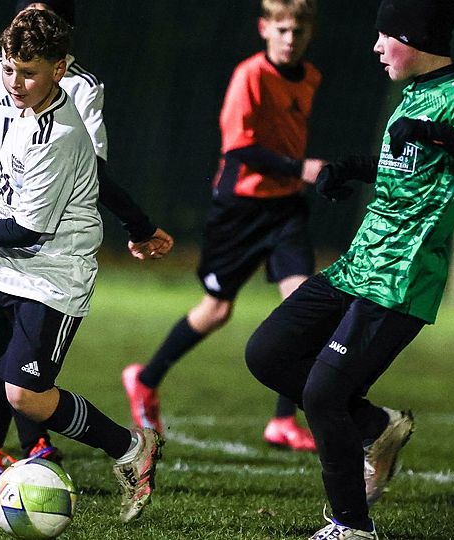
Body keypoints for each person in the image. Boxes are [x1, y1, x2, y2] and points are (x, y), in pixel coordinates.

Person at [243, 0, 454, 537]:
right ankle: (375, 425)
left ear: (413, 39)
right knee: (267, 352)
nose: (375, 47)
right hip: (357, 266)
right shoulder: (413, 95)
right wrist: (349, 168)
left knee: (323, 395)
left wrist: (439, 134)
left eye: (385, 36)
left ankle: (352, 525)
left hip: (400, 279)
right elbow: (405, 166)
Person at [0, 8, 164, 522]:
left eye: (28, 72)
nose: (15, 81)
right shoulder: (19, 102)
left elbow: (28, 231)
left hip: (52, 275)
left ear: (59, 69)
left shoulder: (60, 135)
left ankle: (131, 447)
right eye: (9, 68)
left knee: (25, 397)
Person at [0, 0, 175, 483]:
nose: (30, 23)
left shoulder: (81, 88)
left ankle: (9, 445)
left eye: (43, 14)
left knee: (18, 356)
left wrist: (137, 224)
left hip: (46, 239)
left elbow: (91, 169)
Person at [122, 0, 324, 451]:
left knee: (302, 305)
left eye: (298, 31)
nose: (290, 39)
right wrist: (300, 168)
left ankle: (283, 420)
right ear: (264, 28)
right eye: (282, 29)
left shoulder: (310, 76)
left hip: (286, 209)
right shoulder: (250, 76)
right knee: (216, 309)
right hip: (240, 210)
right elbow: (238, 149)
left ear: (309, 34)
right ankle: (146, 379)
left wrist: (301, 175)